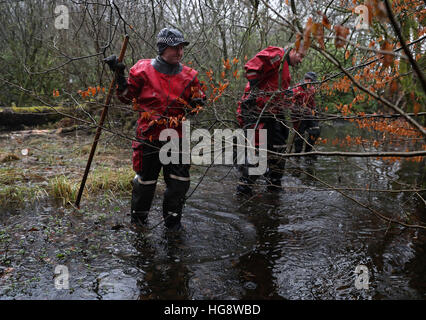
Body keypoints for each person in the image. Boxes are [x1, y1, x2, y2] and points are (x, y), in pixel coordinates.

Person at [104, 28, 205, 231]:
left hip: (176, 138)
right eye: (174, 48)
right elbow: (125, 97)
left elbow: (197, 103)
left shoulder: (190, 76)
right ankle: (138, 225)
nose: (179, 52)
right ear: (162, 48)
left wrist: (197, 103)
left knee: (179, 183)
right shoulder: (142, 70)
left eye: (181, 47)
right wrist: (119, 74)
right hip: (148, 136)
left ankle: (173, 226)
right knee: (145, 183)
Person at [236, 45, 305, 196]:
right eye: (300, 56)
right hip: (256, 111)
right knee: (258, 151)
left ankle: (274, 186)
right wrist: (256, 93)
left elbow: (278, 90)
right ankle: (244, 189)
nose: (300, 61)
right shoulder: (278, 55)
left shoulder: (284, 69)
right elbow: (252, 68)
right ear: (293, 50)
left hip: (273, 113)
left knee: (279, 148)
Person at [291, 71, 320, 155]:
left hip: (309, 115)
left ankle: (308, 152)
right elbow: (290, 104)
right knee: (300, 136)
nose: (311, 84)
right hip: (297, 116)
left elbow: (312, 103)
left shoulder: (312, 89)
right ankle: (298, 155)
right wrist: (300, 110)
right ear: (307, 80)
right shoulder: (296, 89)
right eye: (309, 81)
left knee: (316, 131)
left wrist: (315, 111)